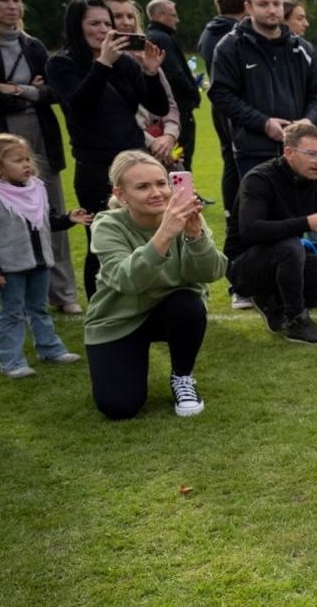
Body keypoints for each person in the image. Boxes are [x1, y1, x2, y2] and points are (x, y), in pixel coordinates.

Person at [0, 0, 79, 312]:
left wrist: (14, 89)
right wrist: (32, 91)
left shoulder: (34, 45)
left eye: (16, 0)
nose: (12, 7)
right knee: (9, 222)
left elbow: (54, 92)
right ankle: (25, 297)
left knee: (51, 215)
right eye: (3, 0)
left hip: (42, 138)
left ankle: (64, 294)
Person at [84, 150, 227, 419]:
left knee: (188, 303)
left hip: (171, 311)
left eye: (161, 183)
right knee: (119, 407)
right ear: (121, 194)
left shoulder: (183, 214)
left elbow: (212, 272)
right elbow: (128, 281)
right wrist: (164, 234)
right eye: (143, 186)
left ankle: (182, 376)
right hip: (119, 317)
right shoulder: (107, 225)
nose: (157, 193)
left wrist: (195, 236)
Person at [44, 0, 169, 295]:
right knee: (101, 242)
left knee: (146, 235)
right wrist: (102, 64)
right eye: (94, 23)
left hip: (135, 161)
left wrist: (151, 72)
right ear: (77, 26)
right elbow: (80, 107)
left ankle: (146, 300)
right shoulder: (61, 64)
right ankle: (101, 311)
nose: (103, 29)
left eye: (107, 23)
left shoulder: (124, 62)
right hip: (96, 167)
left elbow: (157, 106)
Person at [0, 131, 90, 377]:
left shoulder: (37, 188)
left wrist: (68, 219)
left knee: (39, 308)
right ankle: (11, 362)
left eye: (27, 159)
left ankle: (50, 349)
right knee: (12, 313)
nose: (27, 164)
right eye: (18, 160)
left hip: (40, 263)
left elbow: (47, 220)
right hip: (10, 268)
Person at [226, 119, 317, 345]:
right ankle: (296, 322)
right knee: (289, 245)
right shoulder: (259, 179)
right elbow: (250, 230)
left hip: (288, 258)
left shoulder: (316, 185)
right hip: (244, 266)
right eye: (311, 154)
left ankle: (274, 301)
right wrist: (307, 222)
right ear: (288, 152)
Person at [206, 0, 317, 182]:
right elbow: (221, 94)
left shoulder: (303, 49)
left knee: (304, 212)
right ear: (248, 8)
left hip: (301, 150)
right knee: (261, 212)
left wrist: (309, 119)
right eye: (263, 4)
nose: (272, 10)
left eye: (277, 3)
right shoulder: (230, 46)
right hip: (254, 151)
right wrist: (263, 123)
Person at [98, 0, 184, 171]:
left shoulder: (146, 55)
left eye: (130, 16)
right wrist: (153, 143)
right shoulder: (101, 65)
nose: (126, 22)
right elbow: (118, 115)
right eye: (118, 16)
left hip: (166, 149)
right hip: (129, 153)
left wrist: (169, 136)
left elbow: (169, 104)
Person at [199, 0, 249, 222]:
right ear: (245, 7)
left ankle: (232, 208)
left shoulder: (207, 32)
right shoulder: (235, 34)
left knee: (228, 157)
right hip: (237, 103)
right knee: (239, 157)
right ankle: (239, 208)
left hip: (217, 104)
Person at [145, 0, 201, 170]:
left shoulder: (155, 37)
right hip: (177, 108)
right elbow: (175, 73)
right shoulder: (161, 39)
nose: (177, 20)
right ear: (160, 15)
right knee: (180, 154)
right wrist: (193, 93)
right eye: (173, 15)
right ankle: (185, 190)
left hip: (169, 108)